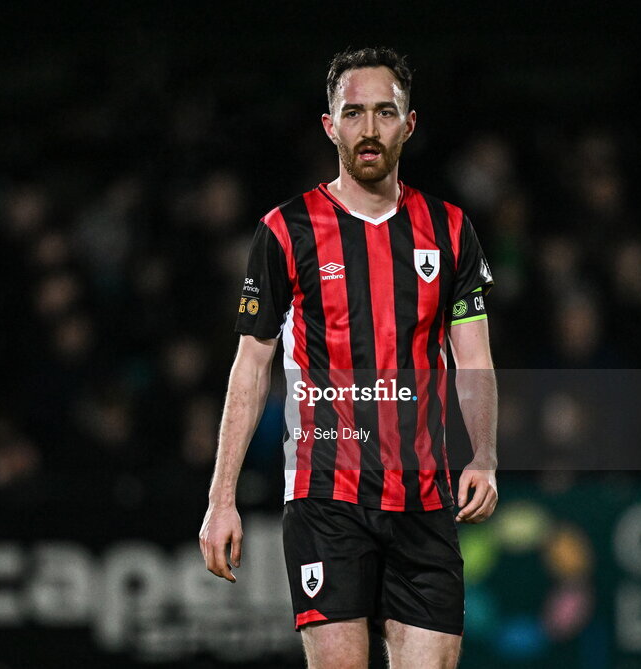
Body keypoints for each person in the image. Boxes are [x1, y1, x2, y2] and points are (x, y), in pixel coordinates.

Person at [199, 47, 498, 669]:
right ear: (329, 125)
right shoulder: (285, 231)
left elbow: (473, 356)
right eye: (353, 113)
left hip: (423, 500)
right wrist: (221, 497)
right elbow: (250, 366)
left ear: (408, 124)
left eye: (385, 112)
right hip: (325, 500)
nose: (369, 129)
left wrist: (484, 456)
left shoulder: (450, 229)